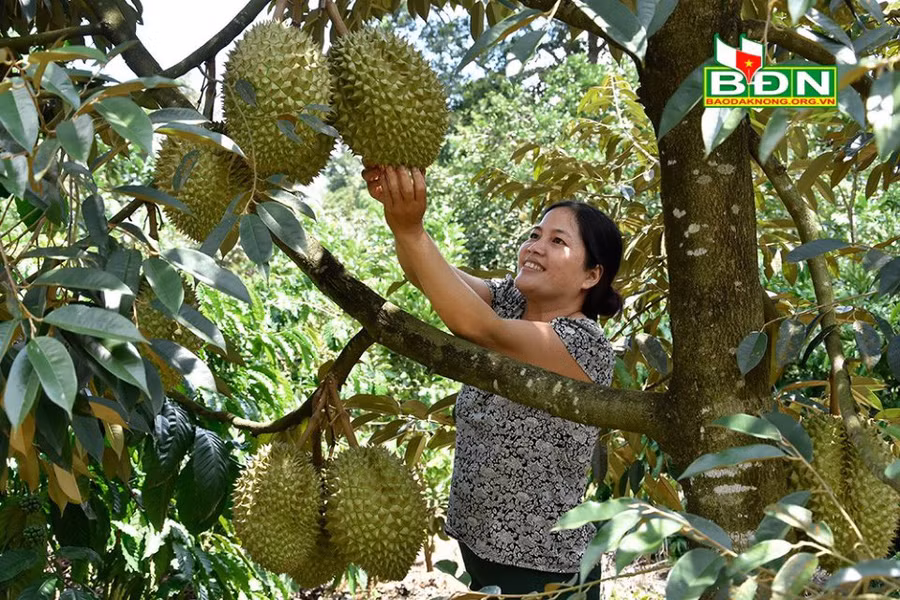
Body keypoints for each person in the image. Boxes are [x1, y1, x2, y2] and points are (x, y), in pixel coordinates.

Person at [362, 164, 623, 599]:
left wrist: (412, 231)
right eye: (535, 235)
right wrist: (401, 219)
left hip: (543, 568)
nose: (534, 247)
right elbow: (427, 275)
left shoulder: (584, 345)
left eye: (557, 241)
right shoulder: (511, 301)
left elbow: (479, 328)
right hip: (480, 546)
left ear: (591, 275)